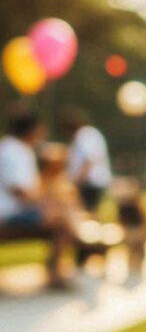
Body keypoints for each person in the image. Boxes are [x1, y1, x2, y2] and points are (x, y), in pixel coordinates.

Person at [0, 106, 72, 287]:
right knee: (62, 220)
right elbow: (21, 192)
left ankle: (57, 269)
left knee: (63, 212)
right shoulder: (11, 152)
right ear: (31, 129)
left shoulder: (18, 149)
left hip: (16, 211)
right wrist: (47, 203)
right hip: (9, 214)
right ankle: (55, 273)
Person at [61, 108, 112, 213]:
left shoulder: (84, 135)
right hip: (90, 182)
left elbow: (88, 161)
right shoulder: (87, 134)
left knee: (87, 212)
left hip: (90, 183)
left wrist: (75, 181)